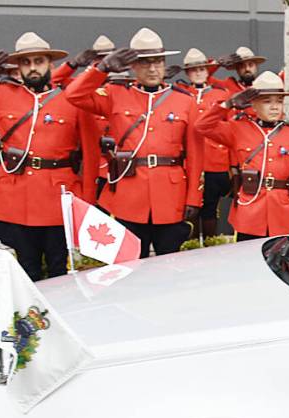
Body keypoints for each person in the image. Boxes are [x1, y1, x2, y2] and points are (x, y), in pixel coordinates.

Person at [0, 32, 97, 280]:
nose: (33, 68)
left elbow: (90, 152)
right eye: (26, 63)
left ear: (50, 65)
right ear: (18, 67)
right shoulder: (1, 95)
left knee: (59, 269)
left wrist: (87, 200)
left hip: (57, 195)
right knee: (24, 268)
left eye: (39, 61)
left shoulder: (70, 97)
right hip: (17, 197)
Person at [65, 28, 202, 258]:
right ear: (133, 67)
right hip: (130, 196)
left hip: (170, 194)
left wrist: (194, 197)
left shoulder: (184, 101)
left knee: (170, 264)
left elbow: (196, 154)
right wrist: (102, 69)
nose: (152, 68)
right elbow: (74, 95)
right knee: (130, 264)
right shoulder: (115, 94)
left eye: (158, 61)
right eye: (145, 63)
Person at [194, 71, 289, 241]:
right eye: (267, 102)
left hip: (283, 212)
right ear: (253, 104)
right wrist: (228, 104)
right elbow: (202, 126)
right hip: (250, 212)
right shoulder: (238, 129)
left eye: (279, 101)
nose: (275, 106)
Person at [181, 47, 231, 240]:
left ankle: (210, 244)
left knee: (210, 206)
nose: (198, 73)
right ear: (187, 73)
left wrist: (234, 166)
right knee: (191, 207)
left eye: (202, 69)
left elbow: (230, 127)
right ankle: (191, 246)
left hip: (215, 159)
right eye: (194, 70)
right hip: (190, 161)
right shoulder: (182, 93)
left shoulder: (221, 94)